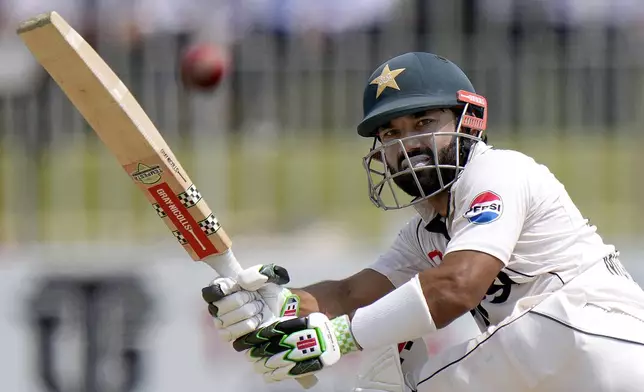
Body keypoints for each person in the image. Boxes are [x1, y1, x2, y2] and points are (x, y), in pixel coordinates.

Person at [201, 52, 644, 391]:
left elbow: (456, 287)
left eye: (424, 121)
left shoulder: (499, 172)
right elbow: (349, 294)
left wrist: (339, 336)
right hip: (560, 368)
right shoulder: (426, 231)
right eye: (391, 133)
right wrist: (275, 304)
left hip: (595, 338)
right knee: (389, 373)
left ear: (467, 123)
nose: (407, 143)